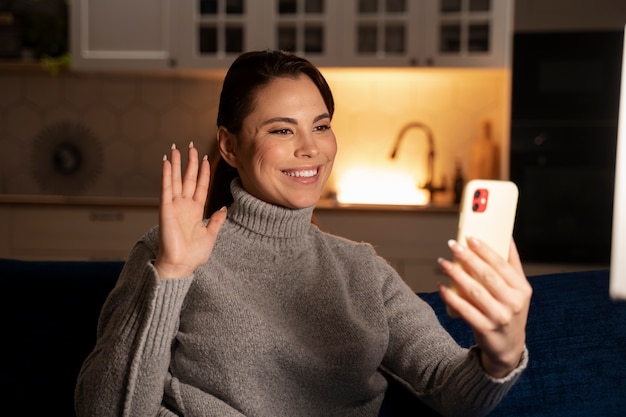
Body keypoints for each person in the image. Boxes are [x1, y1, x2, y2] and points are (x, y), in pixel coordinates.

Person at [74, 50, 531, 417]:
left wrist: (501, 357)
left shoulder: (361, 269)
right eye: (281, 129)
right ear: (230, 146)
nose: (311, 148)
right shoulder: (170, 251)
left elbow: (448, 386)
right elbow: (104, 408)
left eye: (321, 126)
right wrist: (172, 272)